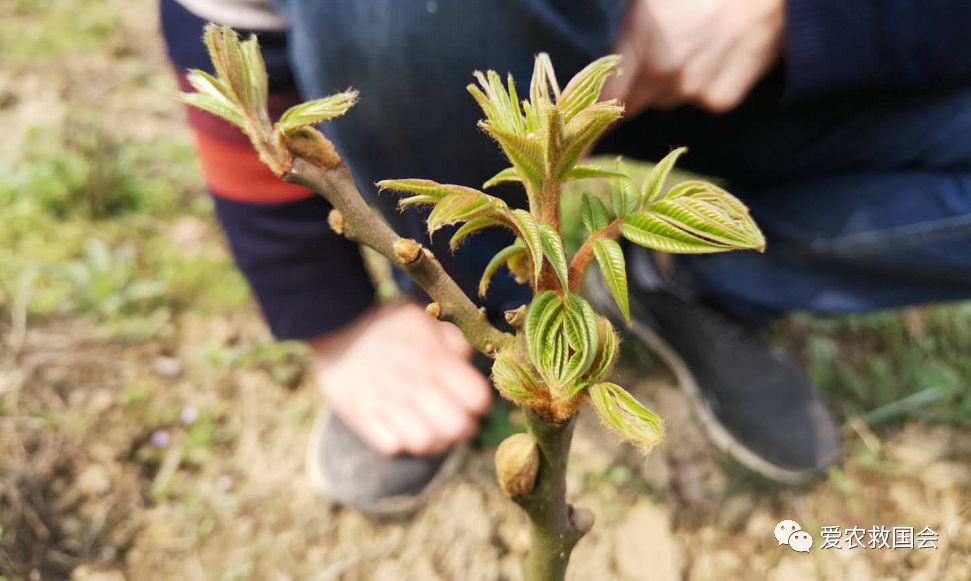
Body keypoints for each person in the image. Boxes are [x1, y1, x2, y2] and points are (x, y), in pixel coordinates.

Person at [161, 0, 971, 514]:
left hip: (784, 76)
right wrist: (333, 322)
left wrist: (801, 19)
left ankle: (684, 276)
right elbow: (226, 27)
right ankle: (475, 312)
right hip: (461, 72)